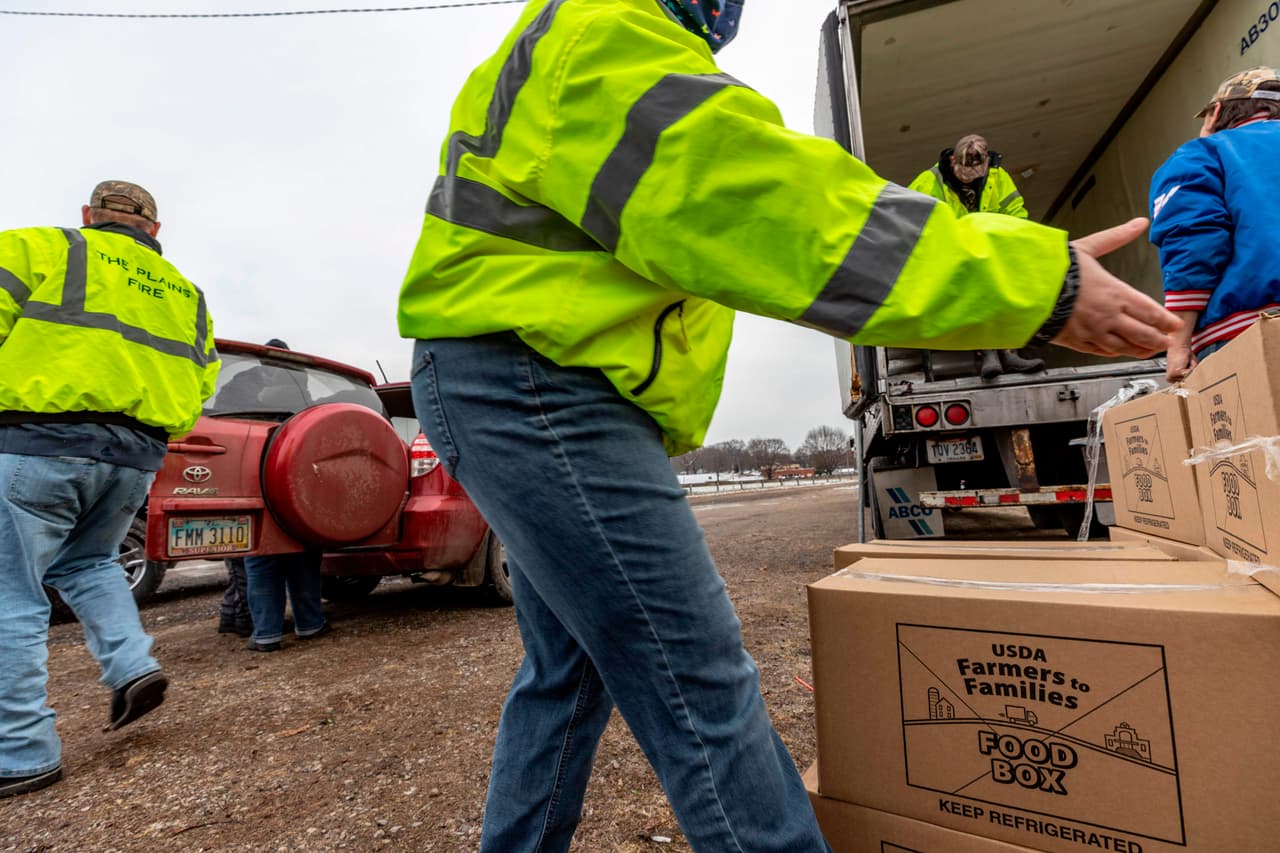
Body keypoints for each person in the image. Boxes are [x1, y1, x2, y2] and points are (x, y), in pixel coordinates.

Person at [396, 2, 1179, 850]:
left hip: (518, 376)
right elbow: (778, 208)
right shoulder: (606, 34)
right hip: (537, 385)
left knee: (571, 671)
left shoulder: (588, 35)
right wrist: (1034, 284)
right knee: (697, 683)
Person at [0, 180, 218, 799]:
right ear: (153, 230)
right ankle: (132, 667)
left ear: (90, 216)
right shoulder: (187, 295)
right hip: (135, 454)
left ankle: (19, 752)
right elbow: (204, 384)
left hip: (37, 439)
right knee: (91, 561)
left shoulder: (38, 248)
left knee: (11, 593)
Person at [1149, 66, 1280, 383]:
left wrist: (1177, 344)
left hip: (1251, 331)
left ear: (1217, 111)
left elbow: (1193, 244)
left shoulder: (1204, 154)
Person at [909, 134, 1046, 379]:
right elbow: (908, 219)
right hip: (952, 253)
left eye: (975, 176)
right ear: (953, 161)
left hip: (988, 248)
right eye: (964, 174)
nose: (969, 180)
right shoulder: (929, 182)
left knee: (1005, 290)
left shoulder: (997, 176)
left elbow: (1015, 212)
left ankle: (1008, 353)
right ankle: (988, 354)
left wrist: (1017, 241)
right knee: (974, 295)